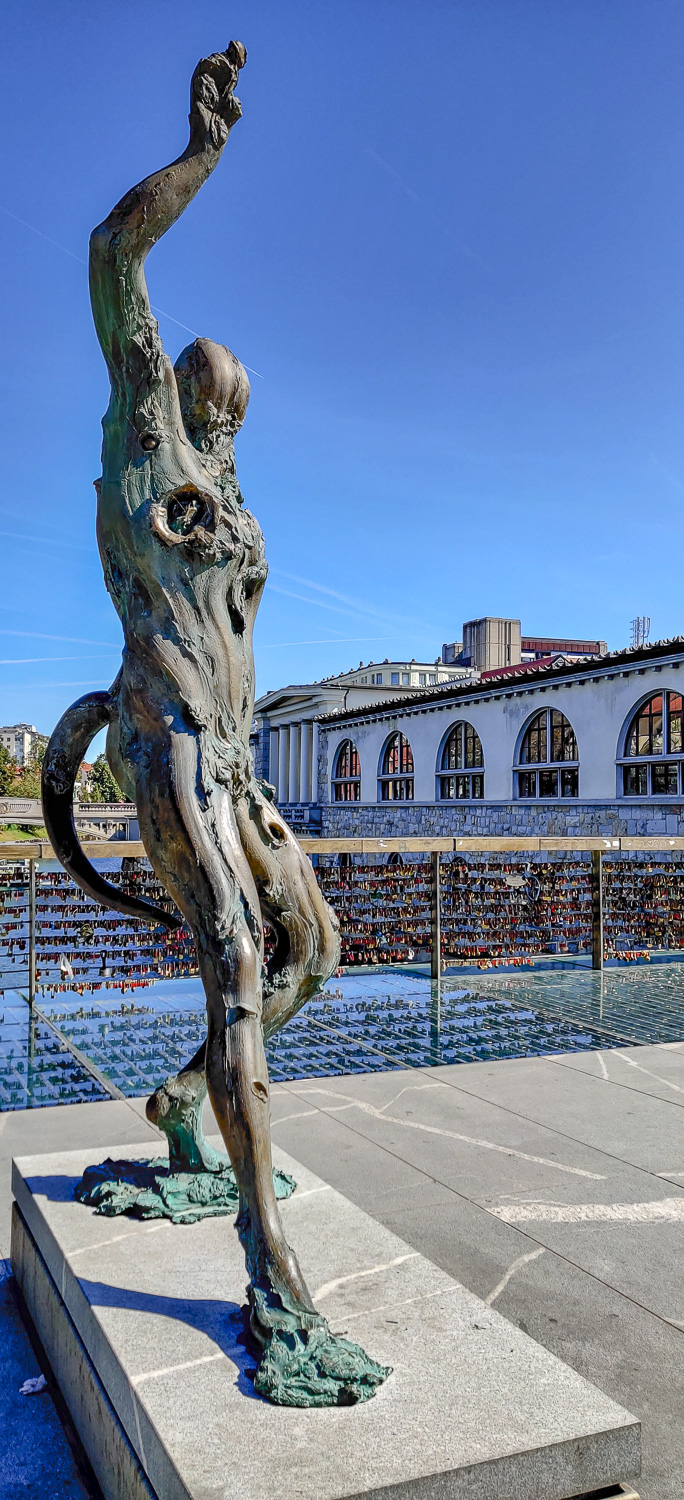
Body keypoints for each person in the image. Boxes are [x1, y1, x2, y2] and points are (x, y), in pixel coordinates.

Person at [42, 44, 387, 1405]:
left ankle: (189, 1102)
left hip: (237, 760)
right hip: (167, 745)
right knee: (240, 968)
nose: (226, 423)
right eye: (214, 401)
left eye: (239, 413)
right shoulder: (146, 439)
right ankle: (271, 1270)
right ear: (175, 390)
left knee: (319, 946)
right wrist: (203, 157)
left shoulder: (229, 492)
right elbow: (110, 259)